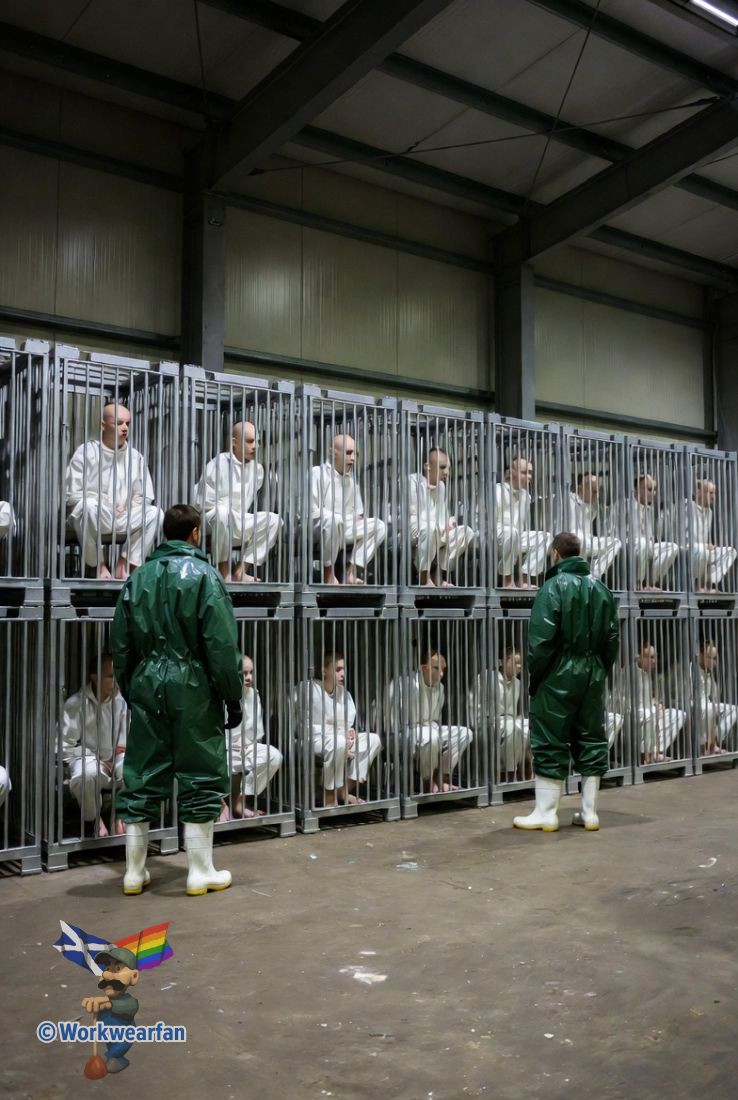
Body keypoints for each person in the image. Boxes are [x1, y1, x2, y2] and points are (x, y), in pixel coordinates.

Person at [112, 504, 243, 896]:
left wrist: (132, 688)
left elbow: (121, 644)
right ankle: (199, 872)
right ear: (196, 533)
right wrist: (232, 696)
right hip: (194, 687)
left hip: (147, 683)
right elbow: (221, 645)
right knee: (201, 775)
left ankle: (134, 873)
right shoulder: (206, 576)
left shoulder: (138, 578)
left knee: (141, 775)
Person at [513, 532, 619, 833]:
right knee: (592, 737)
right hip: (593, 671)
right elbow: (612, 638)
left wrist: (538, 677)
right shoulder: (601, 588)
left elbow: (541, 641)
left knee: (550, 738)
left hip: (558, 673)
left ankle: (546, 813)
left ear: (555, 554)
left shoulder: (552, 587)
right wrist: (599, 669)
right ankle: (590, 813)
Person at [65, 403, 163, 580]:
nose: (125, 428)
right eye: (118, 423)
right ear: (103, 425)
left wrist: (129, 508)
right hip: (97, 514)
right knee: (88, 506)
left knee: (155, 513)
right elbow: (73, 495)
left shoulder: (135, 457)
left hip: (123, 516)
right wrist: (105, 503)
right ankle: (98, 564)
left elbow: (144, 495)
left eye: (127, 423)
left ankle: (126, 563)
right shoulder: (86, 452)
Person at [195, 420, 281, 583]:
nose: (255, 446)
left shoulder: (258, 469)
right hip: (210, 519)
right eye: (250, 441)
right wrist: (227, 511)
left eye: (257, 441)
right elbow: (202, 502)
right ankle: (224, 571)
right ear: (234, 442)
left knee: (273, 520)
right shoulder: (219, 463)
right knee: (222, 512)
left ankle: (241, 571)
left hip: (237, 519)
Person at [302, 652, 381, 807]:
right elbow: (306, 727)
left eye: (344, 669)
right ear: (324, 670)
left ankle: (343, 791)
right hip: (314, 739)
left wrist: (349, 731)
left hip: (339, 738)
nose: (343, 674)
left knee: (373, 739)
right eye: (338, 669)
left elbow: (347, 723)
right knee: (338, 742)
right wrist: (340, 734)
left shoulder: (344, 693)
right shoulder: (309, 689)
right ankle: (329, 797)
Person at [61, 653, 127, 837]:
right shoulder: (76, 704)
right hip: (87, 759)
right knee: (87, 774)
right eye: (111, 676)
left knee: (134, 768)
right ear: (95, 678)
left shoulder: (122, 701)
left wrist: (117, 754)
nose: (116, 681)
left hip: (115, 758)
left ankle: (120, 814)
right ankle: (94, 819)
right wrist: (94, 757)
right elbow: (64, 748)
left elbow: (127, 739)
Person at [391, 648, 473, 794]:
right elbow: (396, 722)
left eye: (443, 669)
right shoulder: (405, 685)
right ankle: (427, 781)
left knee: (465, 733)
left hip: (429, 729)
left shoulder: (440, 687)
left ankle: (444, 777)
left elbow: (435, 719)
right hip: (404, 732)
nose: (441, 673)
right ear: (424, 668)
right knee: (430, 736)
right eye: (436, 668)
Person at [311, 434, 386, 585]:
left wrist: (353, 518)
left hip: (343, 527)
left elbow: (358, 514)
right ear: (333, 452)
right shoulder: (316, 473)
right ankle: (328, 574)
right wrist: (339, 517)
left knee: (379, 526)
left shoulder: (351, 482)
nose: (353, 458)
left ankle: (349, 571)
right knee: (333, 520)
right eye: (348, 453)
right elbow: (311, 510)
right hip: (318, 528)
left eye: (355, 454)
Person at [220, 654, 283, 820]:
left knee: (274, 756)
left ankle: (240, 801)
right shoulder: (222, 694)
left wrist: (248, 745)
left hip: (247, 748)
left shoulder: (254, 695)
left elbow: (257, 732)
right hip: (223, 750)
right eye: (244, 673)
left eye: (251, 672)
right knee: (208, 760)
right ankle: (220, 804)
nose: (249, 677)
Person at [408, 448, 476, 586]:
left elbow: (443, 514)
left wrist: (449, 523)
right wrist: (439, 525)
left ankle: (439, 575)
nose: (446, 472)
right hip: (414, 529)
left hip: (436, 530)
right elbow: (413, 515)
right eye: (442, 467)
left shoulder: (441, 486)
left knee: (466, 532)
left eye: (448, 468)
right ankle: (424, 578)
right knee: (429, 528)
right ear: (427, 466)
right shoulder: (412, 481)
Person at [495, 457, 551, 588]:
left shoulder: (526, 496)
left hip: (515, 535)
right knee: (511, 532)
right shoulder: (497, 490)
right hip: (495, 535)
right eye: (524, 472)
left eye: (530, 473)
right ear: (509, 473)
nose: (529, 477)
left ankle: (524, 578)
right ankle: (507, 580)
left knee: (545, 536)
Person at [634, 641, 686, 765]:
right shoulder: (630, 673)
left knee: (678, 714)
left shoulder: (650, 673)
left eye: (655, 657)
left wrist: (656, 705)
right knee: (649, 714)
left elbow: (651, 697)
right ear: (639, 657)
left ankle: (656, 751)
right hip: (635, 713)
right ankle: (647, 755)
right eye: (651, 657)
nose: (654, 661)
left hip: (649, 711)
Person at [567, 473, 622, 581]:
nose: (596, 494)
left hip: (588, 541)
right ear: (580, 487)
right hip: (571, 542)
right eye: (593, 490)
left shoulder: (594, 505)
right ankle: (578, 574)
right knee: (579, 536)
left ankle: (594, 575)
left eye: (597, 490)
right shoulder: (569, 499)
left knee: (615, 542)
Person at [631, 474, 679, 591]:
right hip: (632, 545)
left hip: (646, 546)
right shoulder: (627, 506)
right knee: (642, 543)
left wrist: (651, 538)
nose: (653, 493)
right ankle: (638, 584)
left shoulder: (649, 509)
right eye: (649, 489)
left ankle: (650, 582)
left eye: (654, 490)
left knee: (673, 547)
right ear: (637, 490)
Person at [688, 478, 737, 592]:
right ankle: (697, 586)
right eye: (710, 493)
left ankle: (709, 584)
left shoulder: (709, 512)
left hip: (703, 551)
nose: (713, 497)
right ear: (699, 492)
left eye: (714, 493)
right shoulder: (688, 507)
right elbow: (685, 541)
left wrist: (707, 546)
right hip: (689, 550)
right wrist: (705, 546)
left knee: (731, 551)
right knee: (702, 551)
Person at [696, 640, 738, 755]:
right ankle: (706, 746)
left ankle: (714, 739)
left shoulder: (708, 672)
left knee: (734, 709)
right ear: (701, 655)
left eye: (715, 658)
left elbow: (714, 694)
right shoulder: (692, 670)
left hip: (707, 704)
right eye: (712, 658)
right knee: (709, 708)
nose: (715, 662)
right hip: (692, 704)